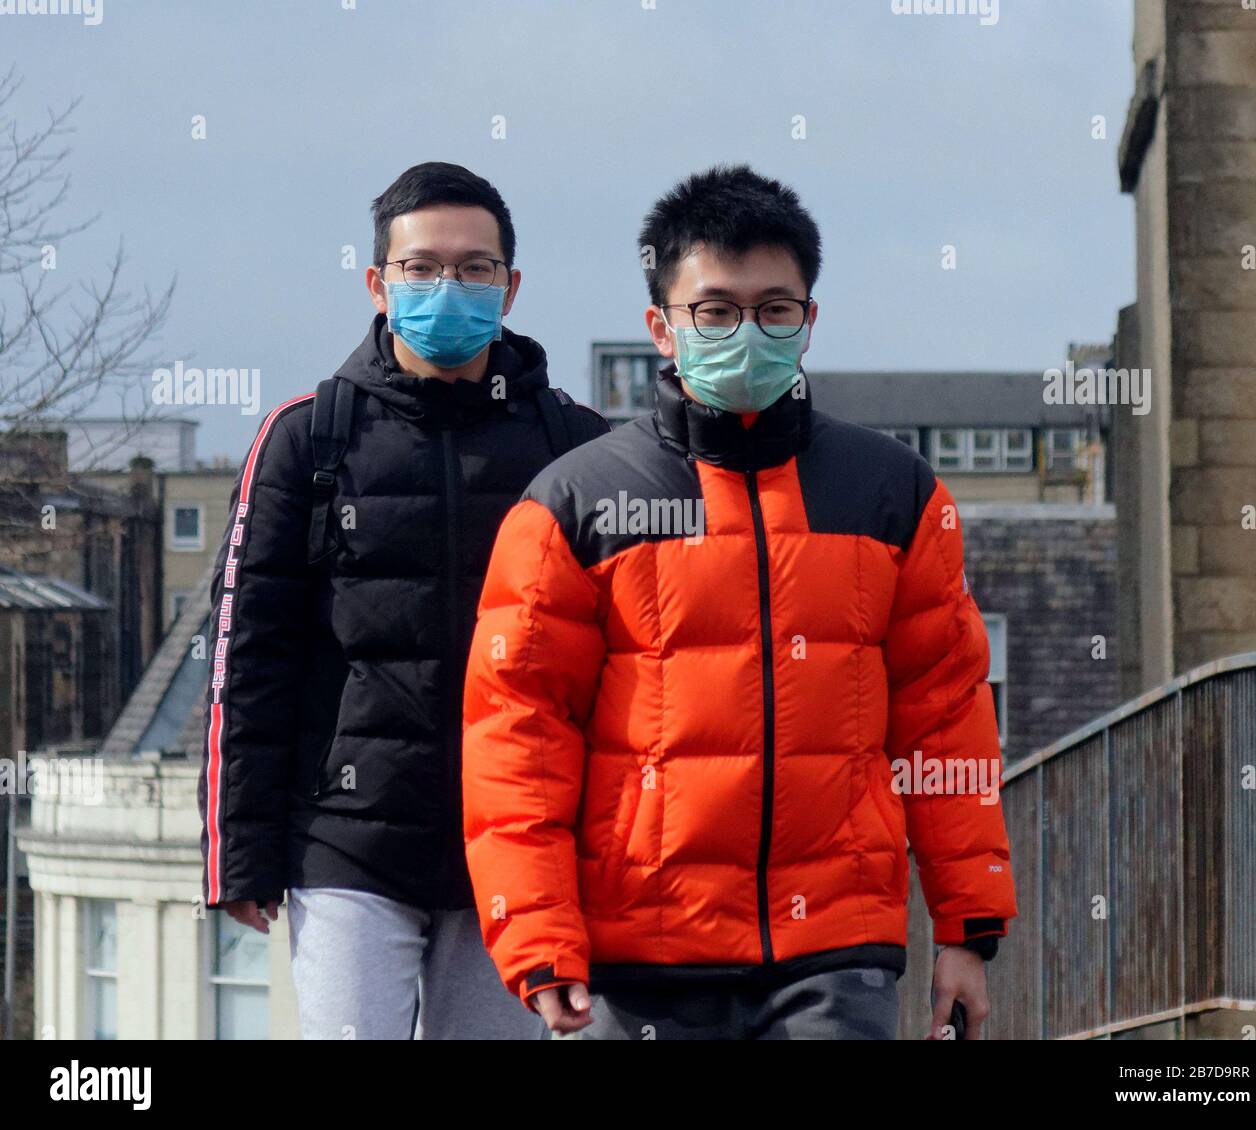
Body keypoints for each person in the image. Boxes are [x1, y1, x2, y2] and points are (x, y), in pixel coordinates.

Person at [461, 164, 1017, 1040]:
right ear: (661, 327)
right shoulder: (574, 504)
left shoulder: (894, 494)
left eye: (774, 309)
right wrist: (538, 936)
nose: (744, 332)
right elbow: (518, 736)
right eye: (714, 311)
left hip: (837, 951)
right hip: (638, 957)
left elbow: (944, 718)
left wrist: (969, 928)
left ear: (808, 320)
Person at [198, 161, 608, 1039]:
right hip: (347, 840)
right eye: (421, 267)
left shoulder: (578, 449)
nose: (447, 286)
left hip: (517, 842)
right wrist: (239, 852)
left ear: (511, 285)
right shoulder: (306, 438)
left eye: (474, 267)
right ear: (378, 282)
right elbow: (249, 657)